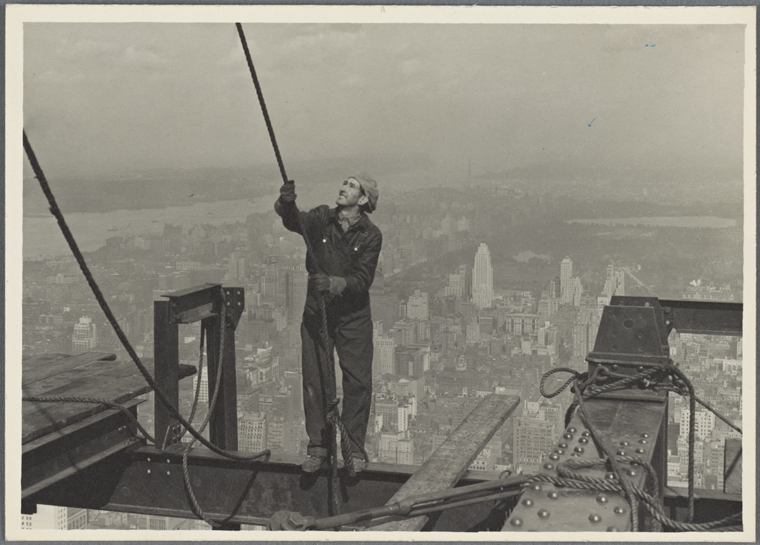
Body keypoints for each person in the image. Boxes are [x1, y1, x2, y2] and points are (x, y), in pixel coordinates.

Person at [274, 174, 382, 473]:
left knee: (358, 383)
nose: (342, 188)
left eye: (350, 186)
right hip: (317, 312)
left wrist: (333, 284)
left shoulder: (371, 235)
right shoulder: (322, 217)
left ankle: (354, 452)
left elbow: (362, 280)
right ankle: (318, 448)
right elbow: (294, 221)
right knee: (315, 380)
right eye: (344, 183)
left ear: (362, 200)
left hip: (353, 317)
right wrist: (286, 201)